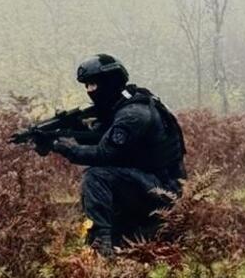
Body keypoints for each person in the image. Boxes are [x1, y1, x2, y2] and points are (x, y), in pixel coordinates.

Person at [50, 54, 186, 255]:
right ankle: (115, 238)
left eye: (93, 85)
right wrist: (72, 128)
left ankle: (100, 246)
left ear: (110, 82)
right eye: (86, 86)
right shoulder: (120, 107)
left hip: (164, 189)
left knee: (95, 177)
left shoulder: (133, 114)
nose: (89, 91)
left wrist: (61, 146)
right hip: (148, 184)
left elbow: (105, 153)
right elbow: (103, 141)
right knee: (123, 235)